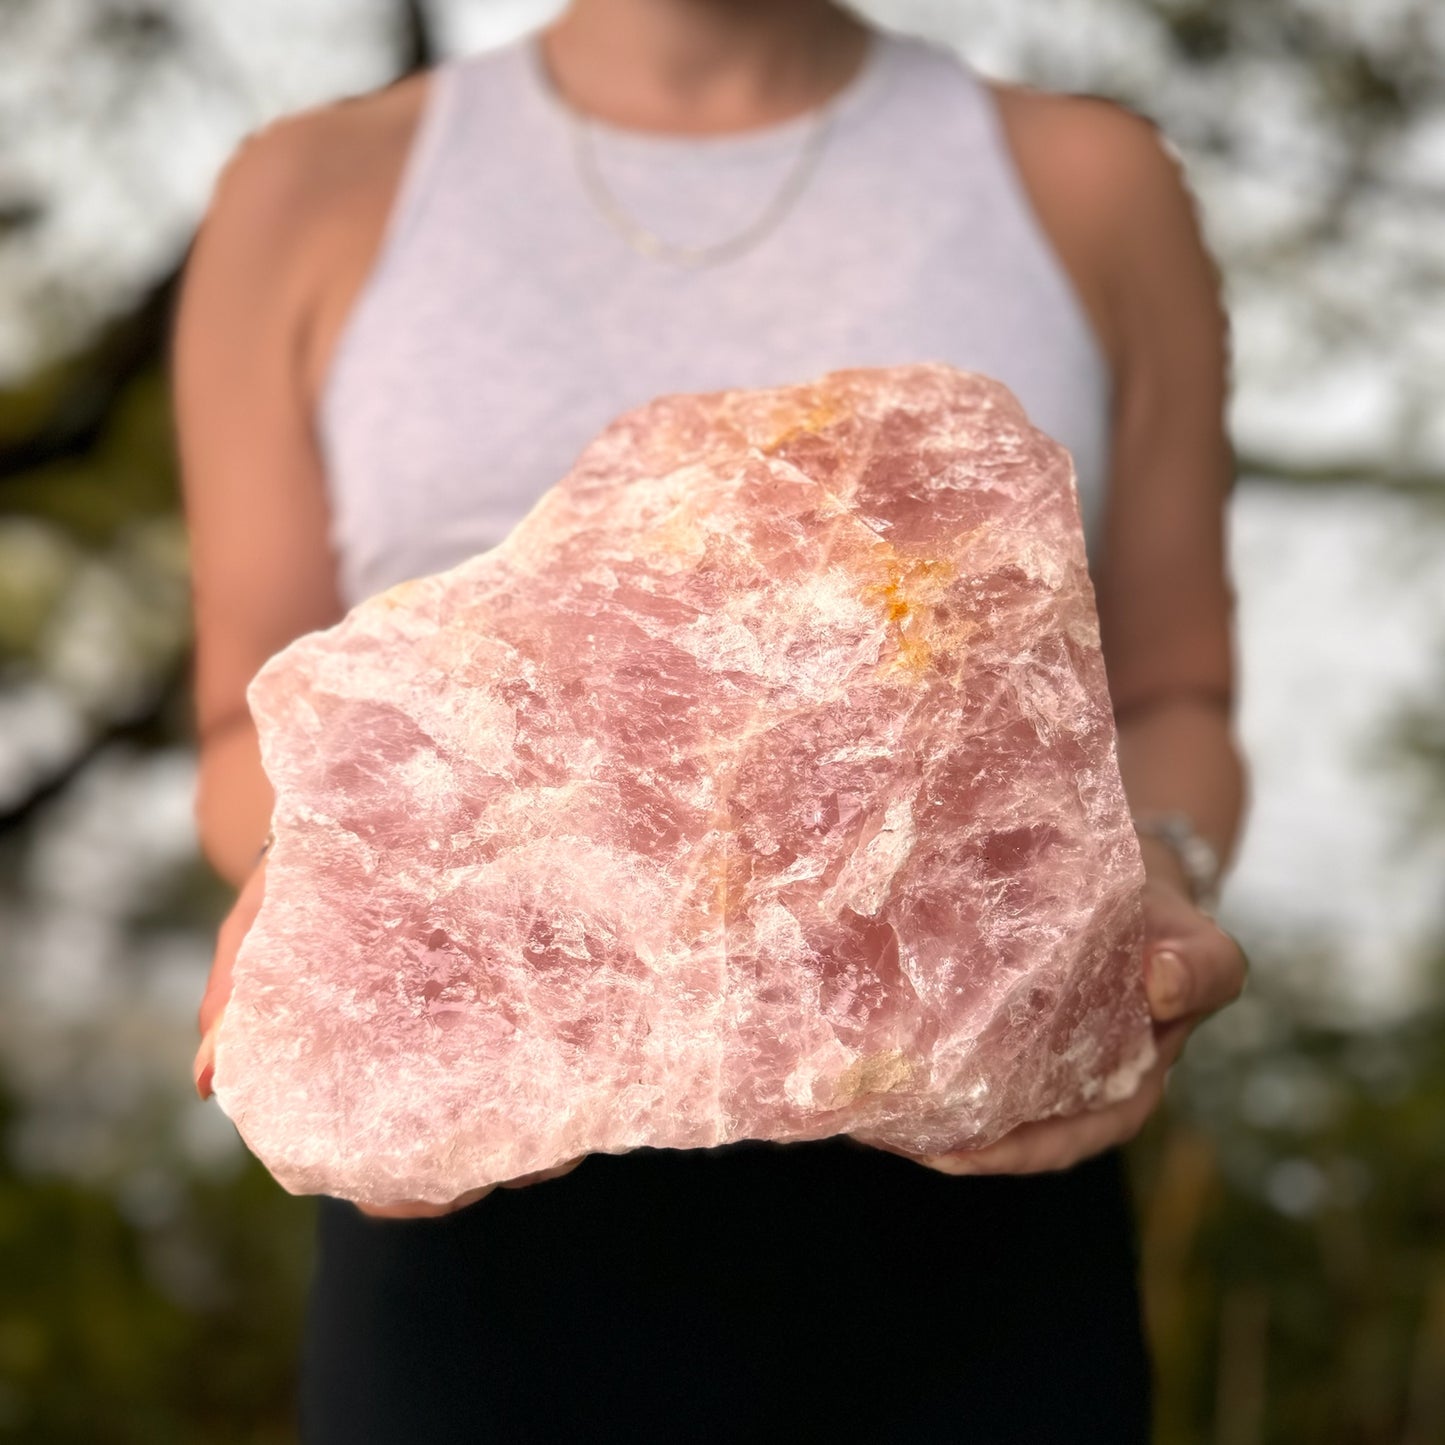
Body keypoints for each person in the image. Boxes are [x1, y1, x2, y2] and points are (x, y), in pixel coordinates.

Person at [172, 0, 1249, 1439]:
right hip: (471, 1201)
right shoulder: (309, 191)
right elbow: (247, 723)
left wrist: (1153, 873)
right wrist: (326, 899)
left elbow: (1174, 693)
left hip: (971, 1164)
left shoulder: (1084, 181)